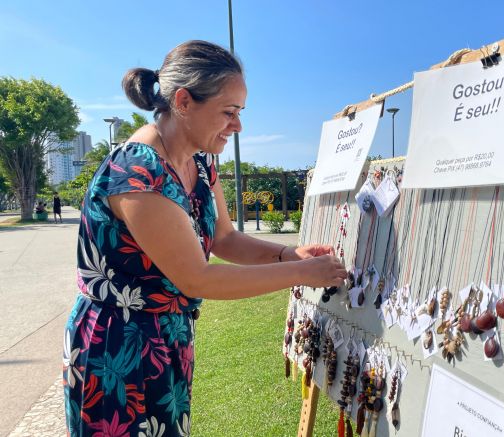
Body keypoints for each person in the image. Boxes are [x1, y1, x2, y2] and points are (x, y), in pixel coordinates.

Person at [62, 40, 346, 436]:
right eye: (228, 112)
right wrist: (303, 272)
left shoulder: (199, 161)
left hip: (165, 339)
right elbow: (198, 278)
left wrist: (287, 254)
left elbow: (224, 238)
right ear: (183, 101)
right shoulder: (137, 174)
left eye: (240, 112)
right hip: (117, 347)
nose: (238, 126)